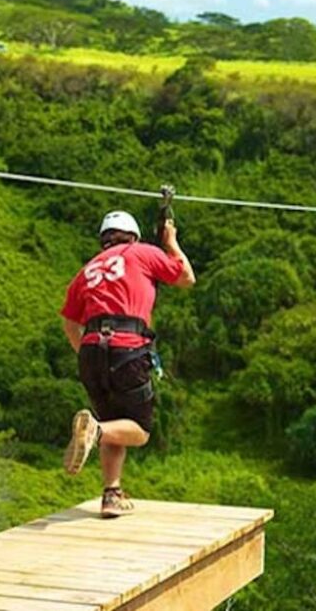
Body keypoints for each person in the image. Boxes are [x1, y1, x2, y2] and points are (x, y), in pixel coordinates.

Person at [60, 210, 195, 518]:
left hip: (90, 351)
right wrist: (171, 242)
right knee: (139, 430)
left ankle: (112, 495)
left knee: (114, 425)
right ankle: (94, 431)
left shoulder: (86, 270)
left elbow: (69, 324)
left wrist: (88, 355)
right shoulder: (141, 252)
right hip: (128, 348)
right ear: (132, 236)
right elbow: (186, 277)